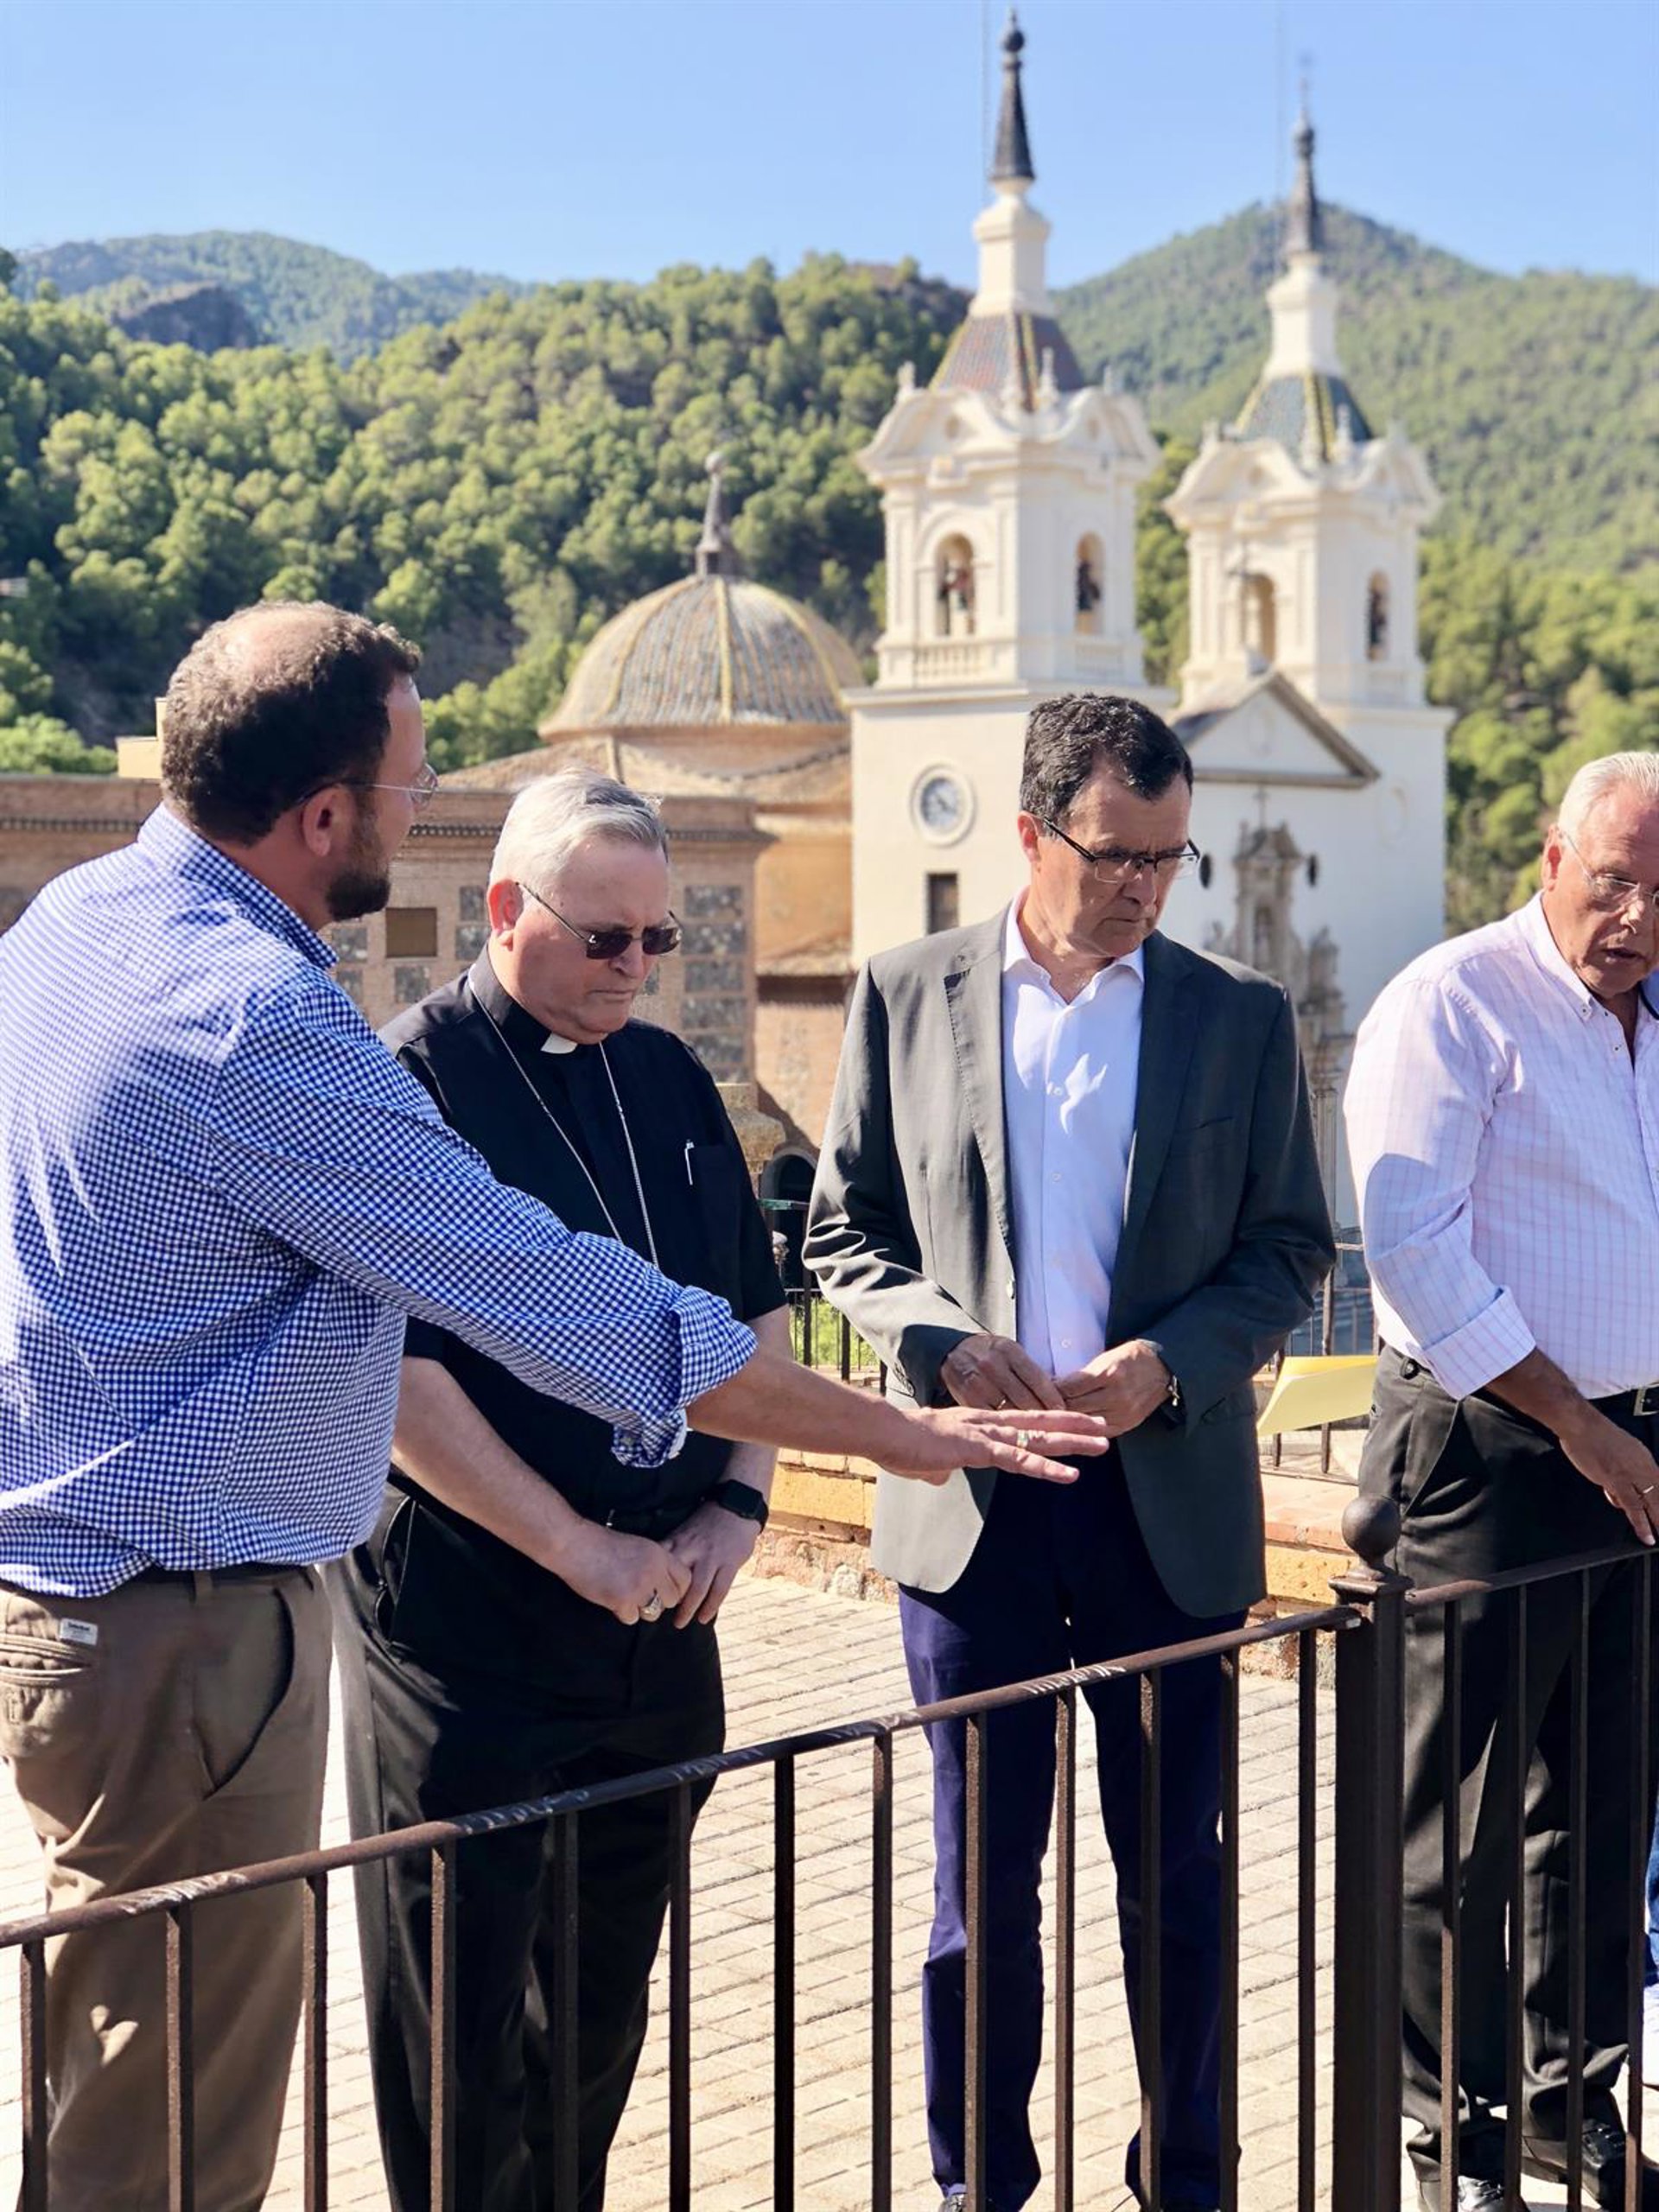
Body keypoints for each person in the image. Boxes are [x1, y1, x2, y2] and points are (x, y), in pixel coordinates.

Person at [0, 601, 1107, 2212]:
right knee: (178, 2132)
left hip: (95, 1613)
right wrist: (907, 1433)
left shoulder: (77, 921)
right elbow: (561, 1305)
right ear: (329, 816)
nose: (423, 804)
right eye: (412, 782)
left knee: (117, 2080)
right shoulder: (261, 1024)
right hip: (205, 1637)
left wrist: (732, 1501)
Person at [805, 692, 1332, 2212]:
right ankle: (980, 2185)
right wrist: (937, 1343)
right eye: (1118, 857)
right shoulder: (903, 993)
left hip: (1163, 1508)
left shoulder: (1241, 1016)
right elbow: (845, 1230)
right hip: (976, 1509)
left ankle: (1188, 2181)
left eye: (1171, 860)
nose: (1146, 889)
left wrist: (1168, 1365)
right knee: (980, 1894)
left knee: (1179, 1883)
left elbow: (1290, 1247)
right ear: (1033, 834)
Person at [331, 766, 789, 2211]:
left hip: (661, 1619)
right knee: (460, 2028)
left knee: (600, 2008)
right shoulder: (407, 1085)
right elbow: (399, 1376)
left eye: (658, 939)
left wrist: (740, 1503)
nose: (635, 967)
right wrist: (574, 1545)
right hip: (467, 1630)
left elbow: (756, 1319)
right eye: (604, 938)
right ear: (504, 910)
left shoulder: (671, 1076)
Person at [1344, 749, 1659, 2212]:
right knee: (1449, 1833)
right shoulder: (1452, 1001)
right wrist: (1581, 1426)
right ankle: (1451, 2140)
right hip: (1487, 1457)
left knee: (1597, 1806)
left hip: (1631, 1457)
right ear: (1552, 858)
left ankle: (1567, 2106)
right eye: (1616, 881)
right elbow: (1415, 1251)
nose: (1638, 918)